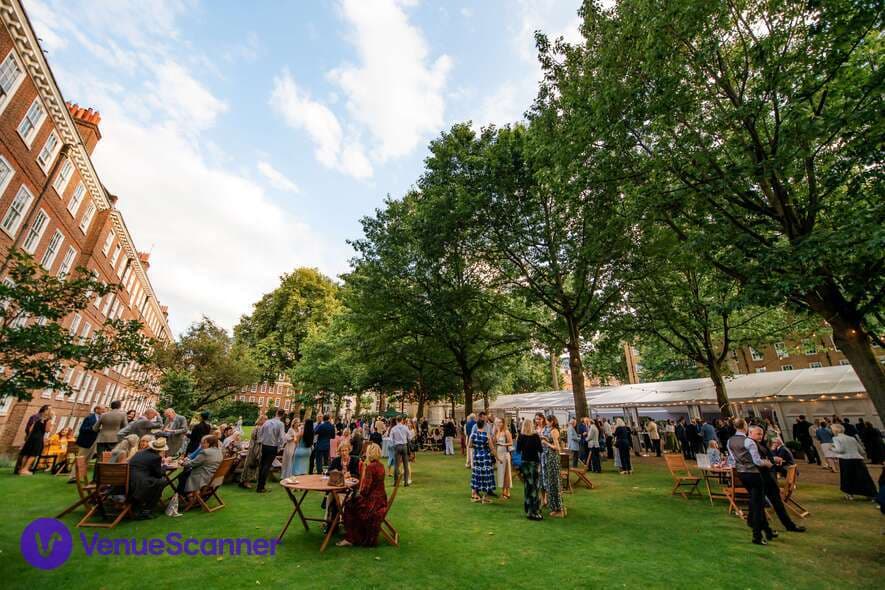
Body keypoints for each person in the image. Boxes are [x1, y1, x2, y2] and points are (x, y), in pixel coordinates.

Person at [727, 419, 780, 545]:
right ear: (745, 426)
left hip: (741, 474)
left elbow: (733, 459)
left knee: (758, 502)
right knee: (758, 505)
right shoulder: (748, 441)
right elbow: (757, 461)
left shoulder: (730, 441)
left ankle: (767, 530)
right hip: (754, 474)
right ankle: (757, 535)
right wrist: (767, 463)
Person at [337, 443, 387, 547]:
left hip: (373, 503)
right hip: (381, 500)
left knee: (349, 505)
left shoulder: (370, 467)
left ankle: (351, 538)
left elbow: (365, 490)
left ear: (369, 453)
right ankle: (354, 535)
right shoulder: (381, 466)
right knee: (352, 502)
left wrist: (359, 494)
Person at [830, 423, 876, 500]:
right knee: (863, 478)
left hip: (845, 460)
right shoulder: (852, 438)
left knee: (847, 478)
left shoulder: (836, 438)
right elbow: (862, 451)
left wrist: (832, 448)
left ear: (835, 430)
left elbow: (841, 450)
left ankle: (849, 495)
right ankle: (871, 495)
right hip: (857, 459)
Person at [128, 438, 169, 519]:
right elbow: (159, 474)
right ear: (160, 450)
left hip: (128, 480)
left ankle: (141, 507)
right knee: (162, 482)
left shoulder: (139, 453)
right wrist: (165, 465)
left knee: (157, 482)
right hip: (139, 483)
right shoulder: (155, 457)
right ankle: (147, 510)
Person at [175, 435, 223, 500]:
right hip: (213, 477)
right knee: (185, 474)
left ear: (209, 443)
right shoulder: (219, 451)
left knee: (182, 476)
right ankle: (189, 495)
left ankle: (179, 496)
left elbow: (192, 464)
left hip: (203, 477)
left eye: (203, 443)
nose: (201, 445)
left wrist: (182, 462)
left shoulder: (205, 452)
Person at [516, 418, 543, 520]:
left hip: (524, 462)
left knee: (527, 485)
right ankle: (534, 511)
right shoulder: (535, 436)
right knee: (535, 487)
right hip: (533, 462)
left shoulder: (521, 436)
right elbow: (540, 450)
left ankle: (528, 508)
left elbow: (518, 450)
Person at [256, 409, 286, 493]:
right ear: (283, 415)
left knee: (262, 465)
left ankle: (260, 486)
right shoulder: (280, 424)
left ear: (276, 413)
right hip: (272, 447)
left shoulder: (267, 422)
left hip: (264, 445)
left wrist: (261, 441)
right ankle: (261, 487)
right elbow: (282, 438)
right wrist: (279, 448)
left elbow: (260, 432)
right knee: (266, 466)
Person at [540, 415, 564, 516]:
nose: (546, 423)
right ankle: (554, 507)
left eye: (547, 421)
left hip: (553, 458)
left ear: (552, 422)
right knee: (551, 483)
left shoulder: (554, 431)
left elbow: (558, 448)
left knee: (554, 483)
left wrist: (546, 442)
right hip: (549, 457)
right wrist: (545, 438)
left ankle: (558, 509)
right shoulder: (551, 430)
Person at [18, 405, 52, 475]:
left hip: (31, 437)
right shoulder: (48, 420)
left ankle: (21, 470)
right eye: (50, 410)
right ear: (47, 411)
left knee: (26, 453)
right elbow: (47, 430)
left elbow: (30, 429)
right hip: (38, 438)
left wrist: (29, 437)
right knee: (33, 454)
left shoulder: (36, 418)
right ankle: (25, 470)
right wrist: (51, 426)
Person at [469, 415, 496, 503]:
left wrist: (476, 447)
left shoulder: (473, 434)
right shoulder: (486, 435)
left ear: (477, 425)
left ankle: (475, 495)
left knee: (477, 474)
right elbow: (492, 448)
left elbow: (469, 445)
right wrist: (497, 457)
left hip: (477, 456)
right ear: (484, 425)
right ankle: (485, 497)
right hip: (485, 457)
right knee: (486, 475)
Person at [238, 415, 266, 489]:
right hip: (254, 448)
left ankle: (248, 480)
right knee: (250, 464)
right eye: (265, 420)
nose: (266, 422)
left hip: (256, 447)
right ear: (261, 420)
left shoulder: (260, 428)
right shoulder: (258, 428)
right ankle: (245, 481)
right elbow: (257, 439)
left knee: (253, 465)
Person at [493, 417, 513, 499]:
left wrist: (503, 444)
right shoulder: (497, 432)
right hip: (499, 453)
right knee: (500, 473)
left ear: (503, 423)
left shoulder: (506, 432)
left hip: (505, 453)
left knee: (506, 473)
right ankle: (502, 491)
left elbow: (511, 443)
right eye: (498, 422)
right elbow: (494, 442)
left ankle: (507, 491)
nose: (499, 424)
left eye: (500, 422)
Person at [390, 416, 413, 486]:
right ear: (402, 420)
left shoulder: (393, 428)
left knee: (396, 465)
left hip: (397, 446)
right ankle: (406, 482)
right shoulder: (405, 427)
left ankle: (396, 482)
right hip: (404, 445)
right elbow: (410, 437)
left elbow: (391, 439)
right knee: (405, 465)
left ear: (396, 420)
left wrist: (393, 445)